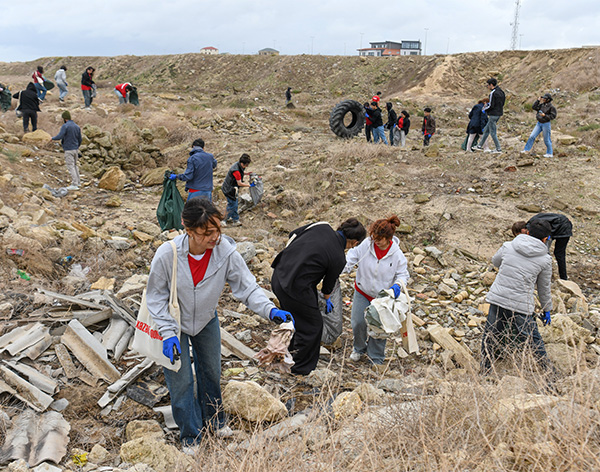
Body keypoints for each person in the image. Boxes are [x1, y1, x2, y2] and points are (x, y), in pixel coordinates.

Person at [145, 198, 292, 452]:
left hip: (205, 319)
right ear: (188, 230)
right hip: (174, 324)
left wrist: (270, 309)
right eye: (206, 233)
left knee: (211, 372)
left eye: (217, 230)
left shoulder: (225, 252)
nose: (214, 237)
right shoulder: (168, 254)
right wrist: (167, 333)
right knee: (181, 382)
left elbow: (247, 287)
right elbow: (155, 296)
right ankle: (190, 436)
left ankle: (214, 421)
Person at [271, 219, 367, 375]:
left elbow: (293, 234)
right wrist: (327, 300)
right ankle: (300, 368)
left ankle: (286, 353)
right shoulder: (338, 257)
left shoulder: (321, 226)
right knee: (313, 326)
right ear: (354, 243)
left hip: (279, 275)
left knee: (295, 319)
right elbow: (327, 288)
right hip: (295, 288)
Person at [481, 219, 554, 375]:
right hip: (521, 306)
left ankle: (485, 370)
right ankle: (548, 373)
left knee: (491, 335)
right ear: (546, 239)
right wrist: (547, 309)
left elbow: (495, 261)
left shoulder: (508, 246)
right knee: (533, 340)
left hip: (499, 298)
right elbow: (544, 288)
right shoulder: (545, 260)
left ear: (527, 232)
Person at [343, 216, 409, 365]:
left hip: (382, 297)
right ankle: (359, 348)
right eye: (374, 237)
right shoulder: (367, 245)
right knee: (358, 322)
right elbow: (352, 256)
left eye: (379, 239)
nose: (376, 241)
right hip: (363, 291)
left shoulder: (396, 254)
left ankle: (376, 357)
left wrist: (398, 285)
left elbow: (403, 274)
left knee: (379, 327)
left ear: (388, 238)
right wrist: (340, 266)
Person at [512, 213, 573, 280]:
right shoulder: (533, 224)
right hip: (563, 224)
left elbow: (543, 245)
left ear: (523, 230)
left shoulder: (534, 227)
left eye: (519, 235)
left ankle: (558, 277)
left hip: (562, 227)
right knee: (556, 253)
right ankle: (561, 277)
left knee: (556, 253)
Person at [50, 111, 83, 190]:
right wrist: (77, 146)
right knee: (75, 166)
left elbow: (60, 136)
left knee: (70, 166)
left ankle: (74, 184)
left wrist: (52, 138)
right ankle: (78, 182)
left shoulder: (65, 126)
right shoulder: (77, 126)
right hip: (75, 149)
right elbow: (80, 139)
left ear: (64, 118)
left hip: (68, 149)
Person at [521, 93, 557, 158]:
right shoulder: (541, 105)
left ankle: (549, 153)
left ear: (548, 99)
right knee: (532, 136)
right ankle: (526, 150)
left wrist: (545, 116)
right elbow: (534, 107)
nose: (543, 99)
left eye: (545, 98)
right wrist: (538, 101)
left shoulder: (551, 107)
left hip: (546, 124)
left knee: (546, 139)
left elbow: (553, 116)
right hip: (539, 123)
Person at [221, 154, 253, 226]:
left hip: (232, 188)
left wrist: (247, 173)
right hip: (229, 189)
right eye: (246, 165)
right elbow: (239, 183)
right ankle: (224, 220)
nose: (246, 167)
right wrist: (249, 185)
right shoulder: (236, 171)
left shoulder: (238, 165)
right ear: (242, 163)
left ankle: (235, 220)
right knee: (232, 204)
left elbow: (241, 172)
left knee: (234, 204)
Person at [475, 78, 505, 154]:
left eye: (488, 85)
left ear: (491, 85)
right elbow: (502, 103)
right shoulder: (501, 92)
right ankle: (479, 146)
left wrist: (484, 109)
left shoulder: (493, 93)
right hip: (499, 113)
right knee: (486, 130)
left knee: (492, 132)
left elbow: (491, 105)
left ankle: (498, 148)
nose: (487, 87)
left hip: (493, 114)